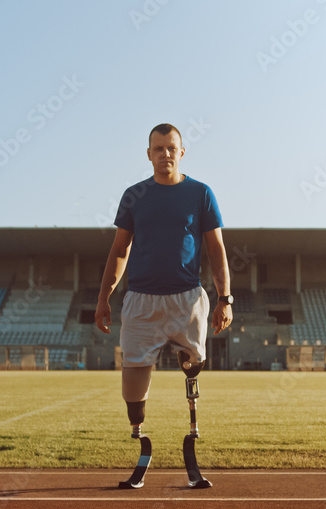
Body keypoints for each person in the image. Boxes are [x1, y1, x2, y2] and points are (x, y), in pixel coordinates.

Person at [95, 123, 232, 439]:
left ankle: (192, 424)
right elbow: (119, 250)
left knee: (194, 362)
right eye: (159, 148)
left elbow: (216, 249)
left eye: (171, 148)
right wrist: (104, 298)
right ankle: (139, 436)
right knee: (132, 378)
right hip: (141, 299)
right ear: (149, 154)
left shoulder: (200, 193)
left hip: (187, 298)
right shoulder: (134, 196)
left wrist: (225, 298)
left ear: (182, 152)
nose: (165, 154)